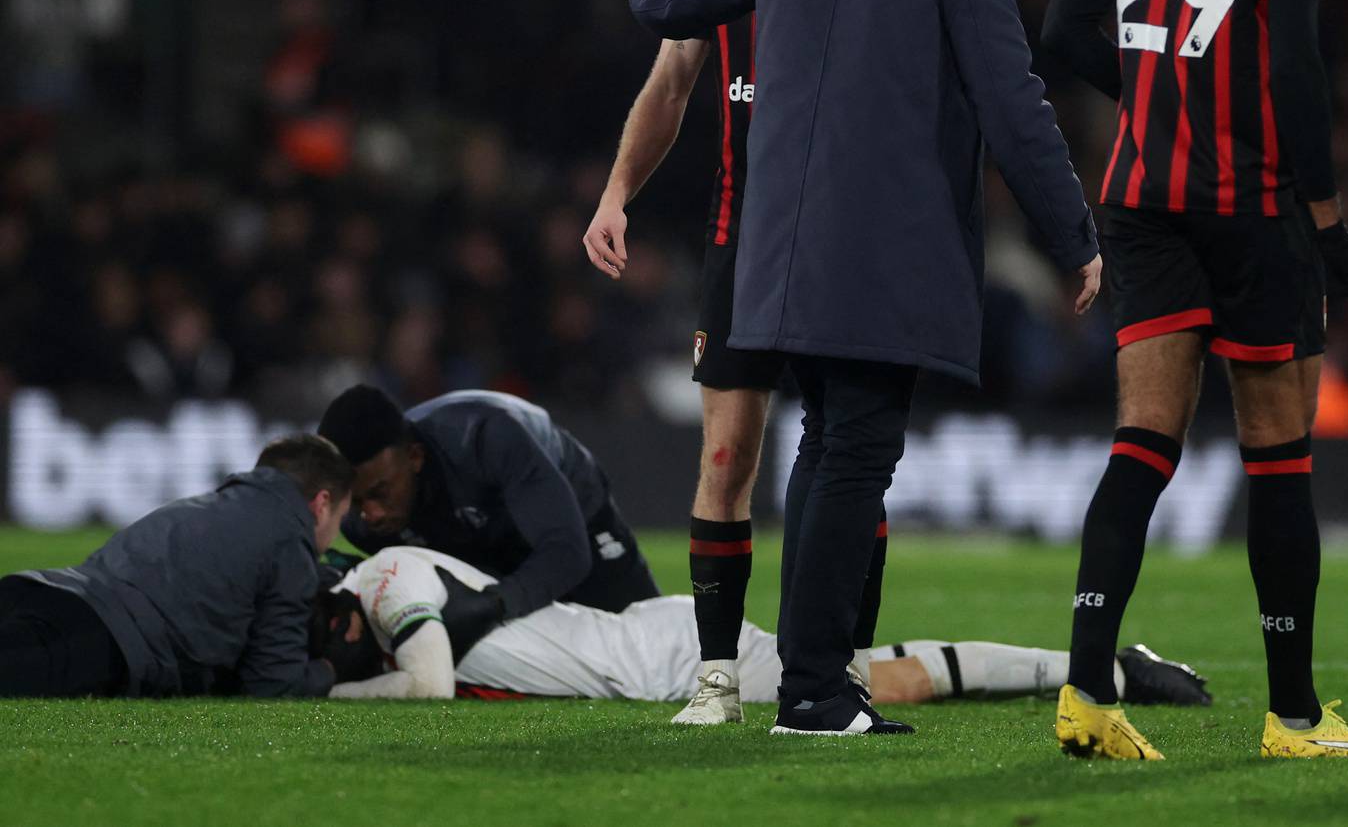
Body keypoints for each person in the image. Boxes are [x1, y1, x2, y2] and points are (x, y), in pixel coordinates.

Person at [628, 0, 1102, 737]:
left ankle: (814, 678)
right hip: (885, 259)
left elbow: (665, 5)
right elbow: (1016, 111)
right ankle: (812, 689)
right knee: (851, 458)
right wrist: (1073, 236)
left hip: (777, 255)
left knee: (823, 454)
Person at [1039, 0, 1348, 764]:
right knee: (1277, 453)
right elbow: (1293, 66)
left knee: (1143, 441)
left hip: (1140, 196)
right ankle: (1293, 716)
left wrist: (1155, 90)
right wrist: (1328, 226)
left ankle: (1087, 690)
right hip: (1253, 203)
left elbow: (1062, 37)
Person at [582, 0, 891, 726]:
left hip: (845, 248)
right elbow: (671, 86)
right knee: (727, 455)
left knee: (851, 459)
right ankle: (716, 678)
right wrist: (614, 194)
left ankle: (849, 667)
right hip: (744, 245)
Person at [321, 544, 1210, 711]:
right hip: (648, 650)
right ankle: (1104, 664)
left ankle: (1109, 668)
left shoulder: (386, 575)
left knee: (881, 677)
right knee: (872, 667)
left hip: (664, 659)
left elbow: (429, 684)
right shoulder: (378, 583)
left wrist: (328, 689)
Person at [0, 434, 352, 697]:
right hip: (99, 642)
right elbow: (273, 684)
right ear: (322, 504)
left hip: (43, 590)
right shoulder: (290, 541)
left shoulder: (209, 506)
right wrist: (332, 669)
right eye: (340, 518)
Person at [317, 386, 658, 647]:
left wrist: (493, 604)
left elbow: (566, 553)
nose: (371, 514)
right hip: (477, 538)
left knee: (647, 638)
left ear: (415, 457)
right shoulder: (359, 524)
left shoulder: (486, 438)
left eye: (380, 492)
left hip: (574, 515)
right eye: (357, 500)